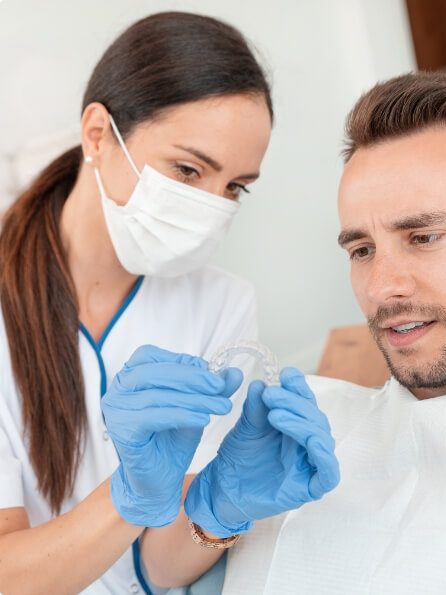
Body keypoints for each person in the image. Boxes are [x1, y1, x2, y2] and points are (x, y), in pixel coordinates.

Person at [210, 73, 446, 594]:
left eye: (423, 237)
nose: (382, 287)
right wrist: (211, 510)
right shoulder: (309, 431)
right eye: (362, 250)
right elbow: (163, 569)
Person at [0, 12, 339, 594]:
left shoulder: (220, 303)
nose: (211, 206)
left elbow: (158, 568)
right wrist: (128, 497)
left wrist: (221, 506)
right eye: (187, 170)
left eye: (234, 186)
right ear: (99, 135)